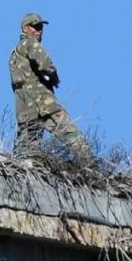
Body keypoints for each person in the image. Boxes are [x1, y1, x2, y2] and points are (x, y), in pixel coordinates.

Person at [9, 13, 92, 158]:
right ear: (25, 28)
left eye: (40, 27)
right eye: (35, 27)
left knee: (26, 146)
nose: (39, 30)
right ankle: (88, 165)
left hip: (25, 108)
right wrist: (53, 77)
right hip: (42, 102)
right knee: (71, 133)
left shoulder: (14, 55)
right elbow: (45, 63)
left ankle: (21, 172)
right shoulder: (30, 43)